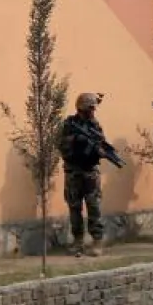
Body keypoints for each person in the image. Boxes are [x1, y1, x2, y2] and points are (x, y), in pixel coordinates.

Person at [60, 92, 114, 257]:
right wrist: (77, 140)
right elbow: (62, 146)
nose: (92, 112)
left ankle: (97, 240)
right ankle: (78, 241)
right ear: (81, 108)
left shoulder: (95, 126)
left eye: (93, 109)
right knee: (74, 208)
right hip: (73, 172)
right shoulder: (70, 125)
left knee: (94, 207)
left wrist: (101, 151)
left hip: (90, 173)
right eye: (89, 109)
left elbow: (100, 143)